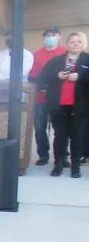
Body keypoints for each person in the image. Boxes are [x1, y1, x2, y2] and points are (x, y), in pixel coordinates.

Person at [39, 32, 89, 178]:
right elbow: (42, 78)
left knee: (77, 137)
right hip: (59, 106)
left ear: (83, 44)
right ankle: (58, 164)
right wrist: (57, 76)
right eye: (73, 41)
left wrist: (80, 77)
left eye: (79, 42)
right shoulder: (57, 61)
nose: (76, 44)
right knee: (60, 136)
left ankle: (75, 167)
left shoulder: (87, 59)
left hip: (80, 107)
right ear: (67, 44)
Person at [29, 27, 67, 166]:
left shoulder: (65, 53)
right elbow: (32, 77)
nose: (49, 37)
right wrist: (43, 87)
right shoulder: (36, 55)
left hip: (60, 98)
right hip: (41, 98)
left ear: (59, 36)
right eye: (47, 35)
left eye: (53, 35)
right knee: (39, 127)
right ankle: (43, 155)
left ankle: (62, 156)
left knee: (61, 128)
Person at [0, 32, 35, 102]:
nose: (9, 38)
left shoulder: (27, 55)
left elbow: (20, 73)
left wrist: (1, 77)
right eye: (8, 36)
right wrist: (7, 78)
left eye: (12, 36)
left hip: (16, 96)